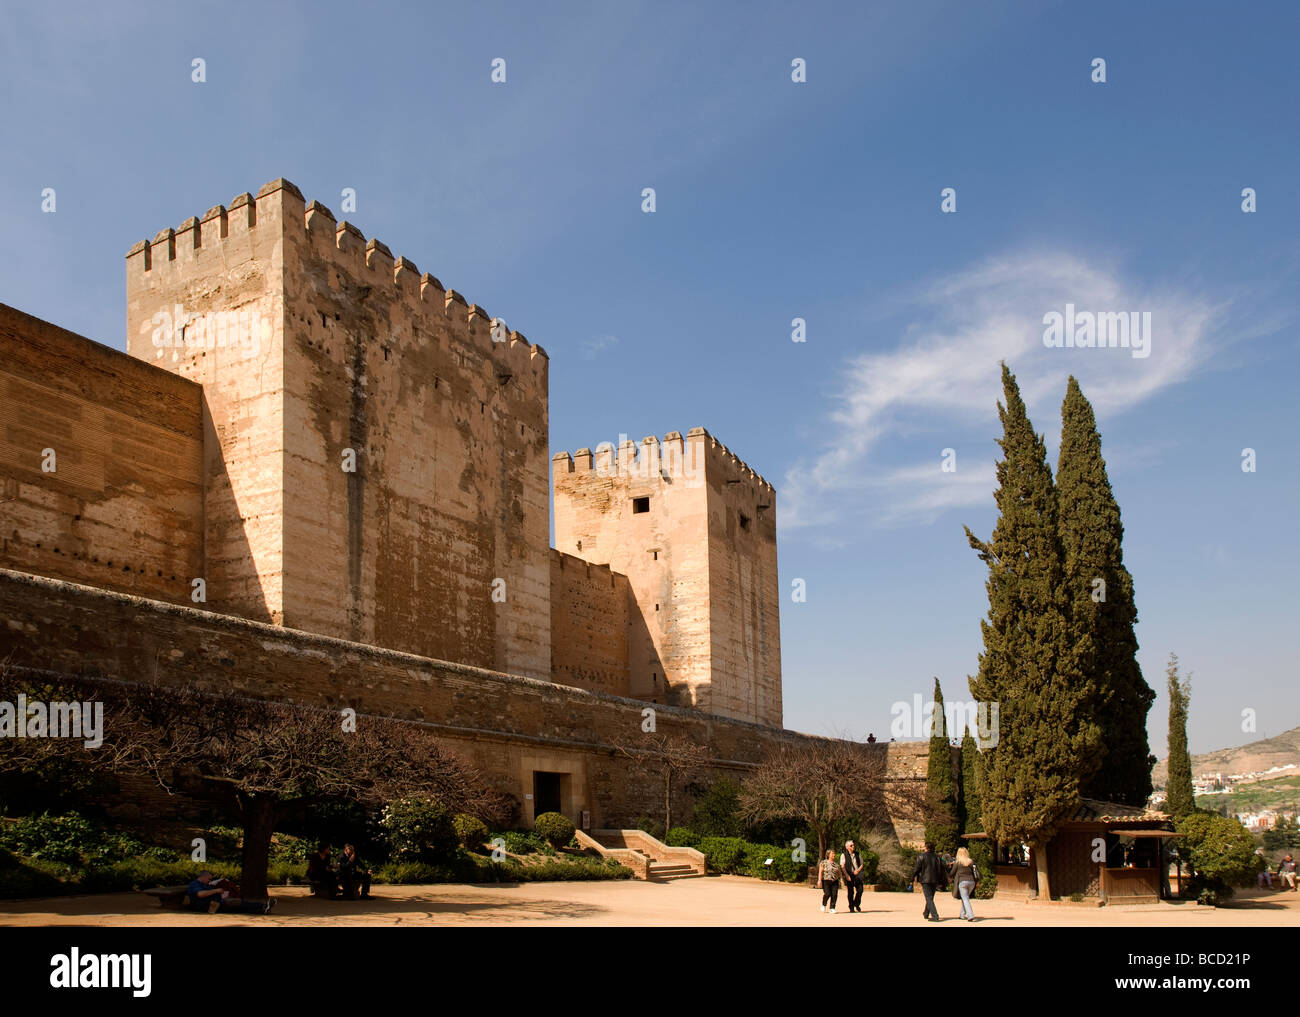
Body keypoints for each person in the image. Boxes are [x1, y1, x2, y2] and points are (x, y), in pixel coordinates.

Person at [186, 871, 274, 915]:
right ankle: (262, 906)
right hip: (209, 906)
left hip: (217, 902)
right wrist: (216, 891)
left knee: (239, 906)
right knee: (236, 902)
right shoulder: (195, 884)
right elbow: (200, 894)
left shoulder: (204, 884)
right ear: (203, 877)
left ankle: (262, 908)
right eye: (209, 879)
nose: (209, 881)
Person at [911, 841, 945, 921]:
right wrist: (940, 881)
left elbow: (917, 869)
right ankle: (926, 913)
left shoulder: (921, 856)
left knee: (929, 898)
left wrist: (912, 878)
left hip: (925, 879)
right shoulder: (937, 857)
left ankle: (935, 916)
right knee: (930, 897)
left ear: (926, 847)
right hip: (935, 879)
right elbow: (940, 870)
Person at [949, 846, 979, 921]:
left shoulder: (957, 862)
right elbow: (976, 871)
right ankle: (962, 915)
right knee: (965, 898)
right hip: (972, 882)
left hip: (962, 882)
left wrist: (949, 877)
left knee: (965, 899)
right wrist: (977, 881)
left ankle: (970, 915)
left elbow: (952, 873)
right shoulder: (971, 861)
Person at [840, 840, 865, 913]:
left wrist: (858, 870)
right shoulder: (843, 855)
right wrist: (847, 875)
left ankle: (856, 904)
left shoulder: (858, 854)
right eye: (851, 845)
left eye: (853, 845)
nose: (853, 846)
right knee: (850, 892)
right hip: (849, 874)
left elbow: (862, 864)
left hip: (857, 874)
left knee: (860, 890)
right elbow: (842, 866)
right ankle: (851, 907)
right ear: (847, 847)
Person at [816, 849, 842, 914]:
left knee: (834, 894)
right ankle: (823, 905)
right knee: (827, 894)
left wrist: (841, 879)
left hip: (835, 881)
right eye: (832, 853)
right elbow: (820, 872)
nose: (834, 855)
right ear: (828, 855)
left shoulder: (836, 864)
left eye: (834, 853)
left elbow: (839, 872)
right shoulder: (823, 863)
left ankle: (832, 908)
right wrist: (819, 880)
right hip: (826, 880)